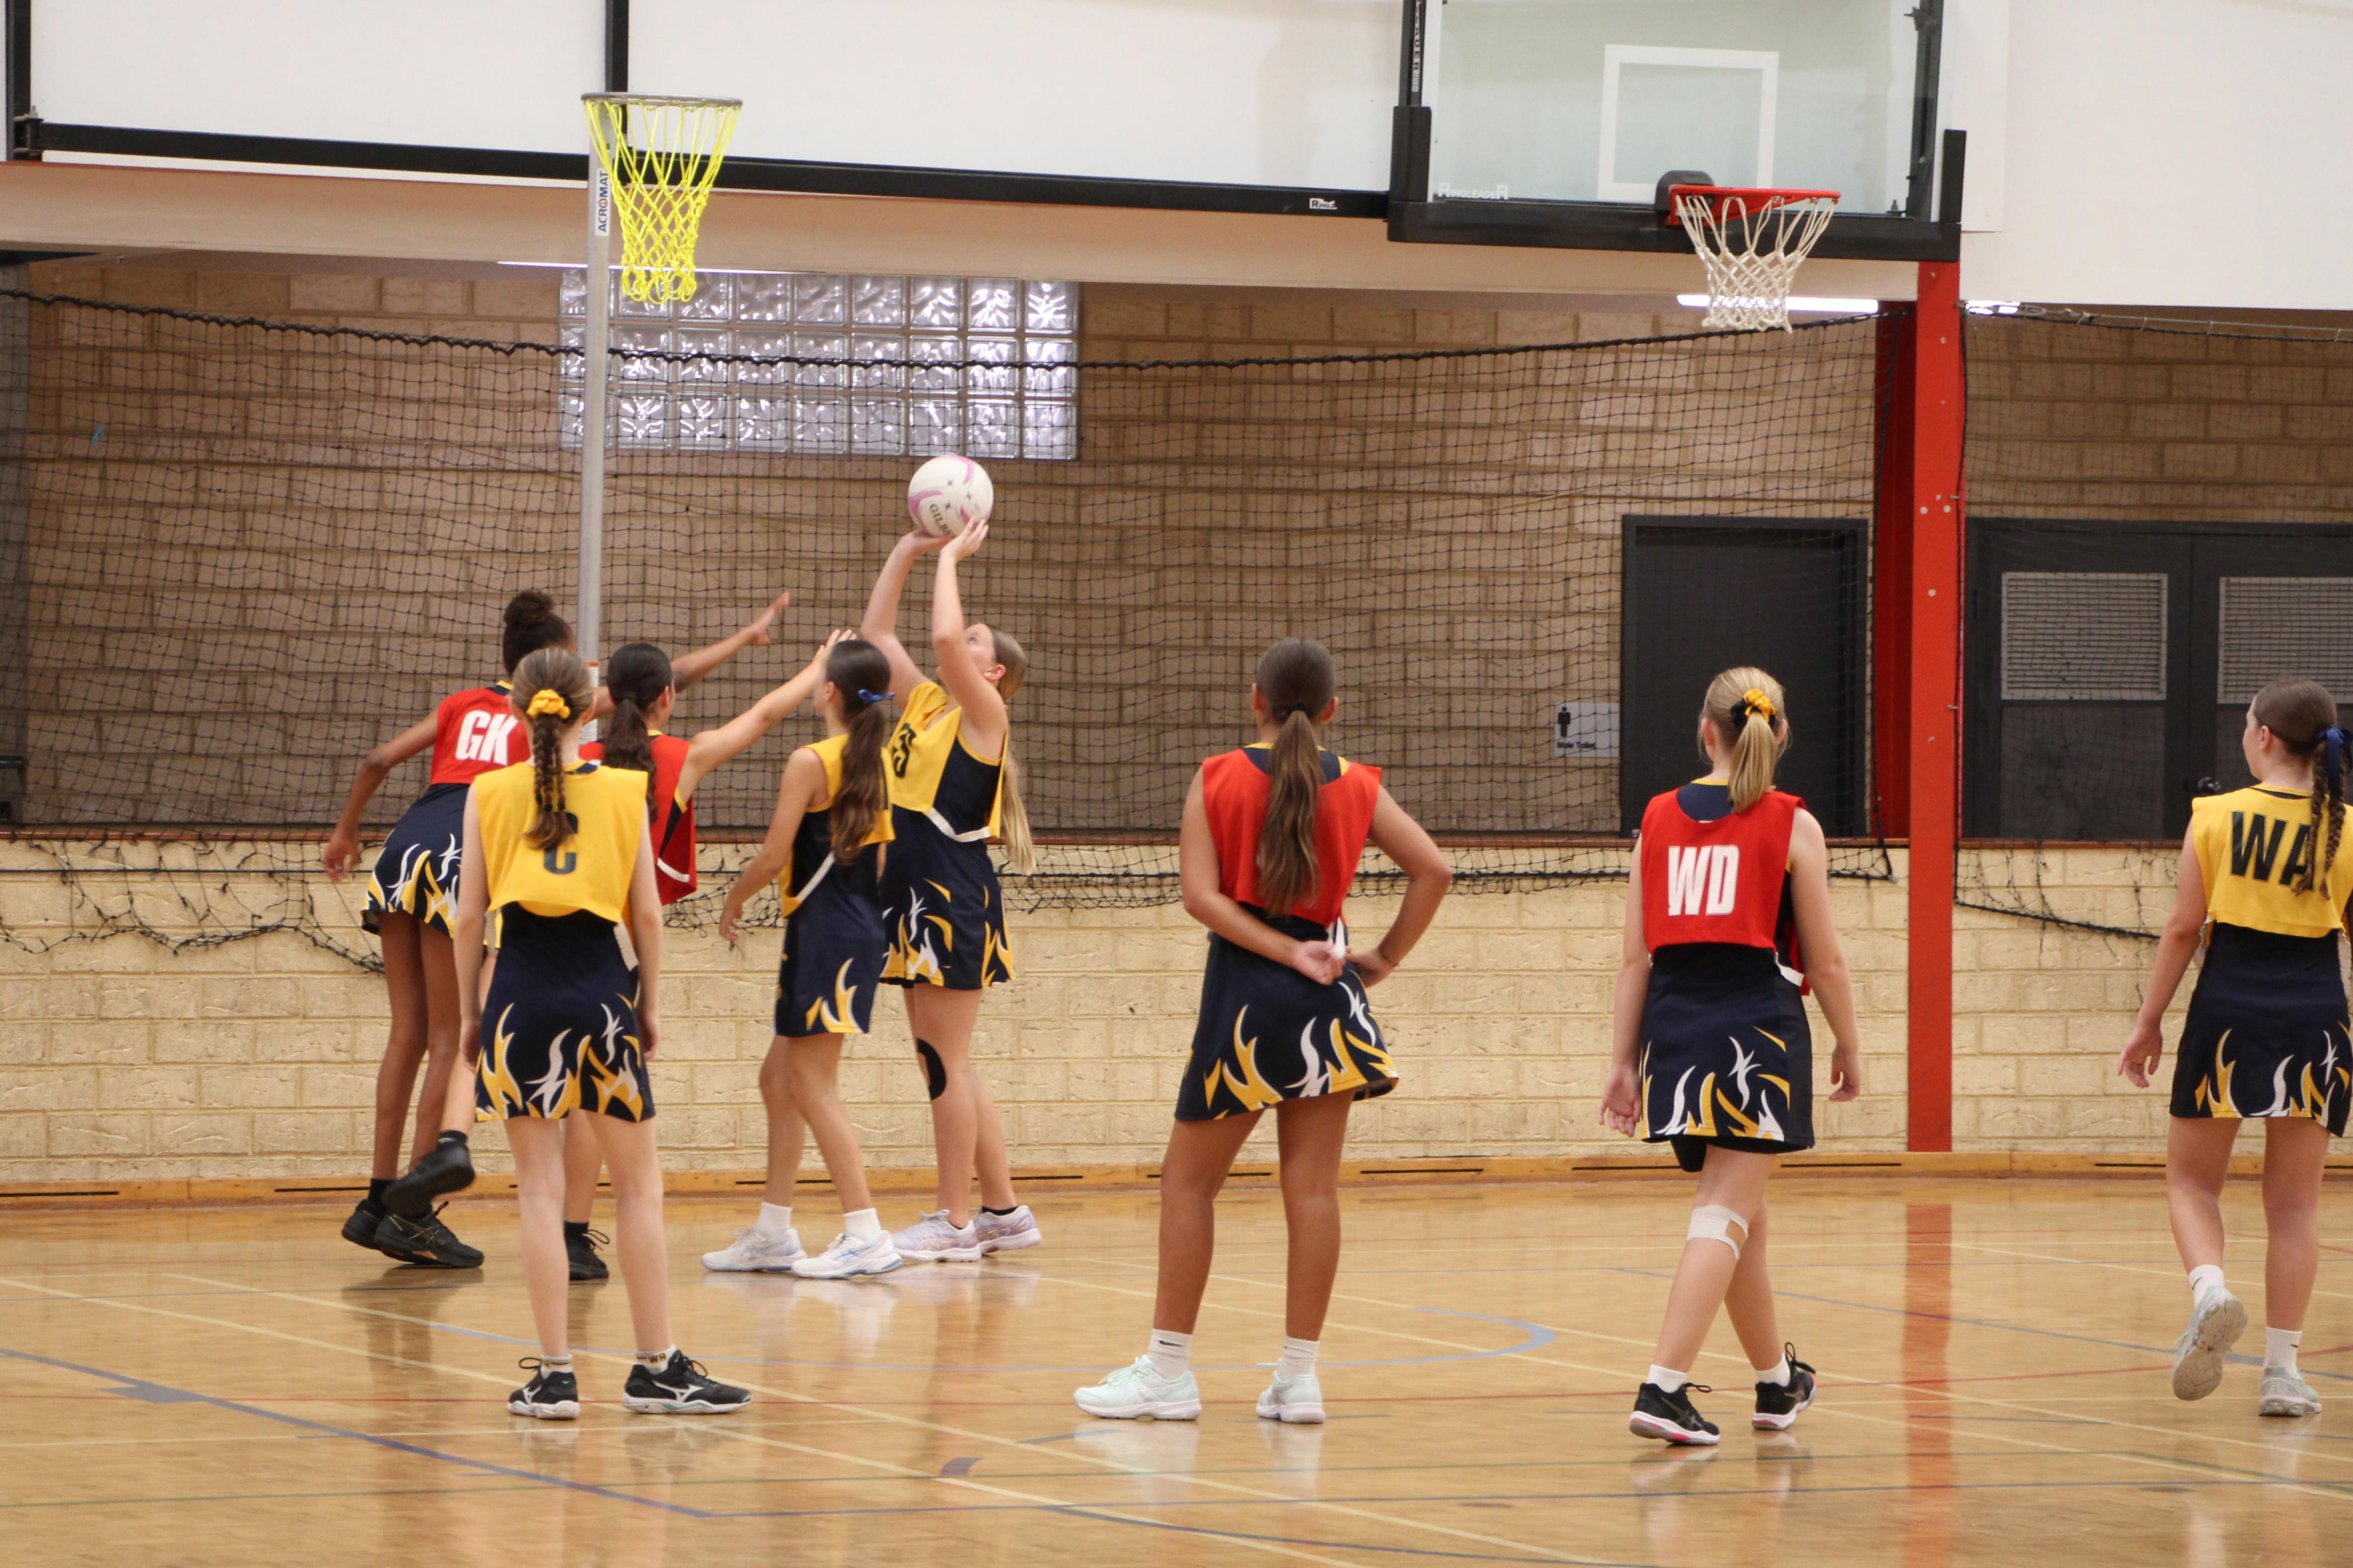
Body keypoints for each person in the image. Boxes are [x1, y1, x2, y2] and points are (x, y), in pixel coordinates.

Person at [324, 590, 790, 1270]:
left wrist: (345, 833)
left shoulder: (461, 703)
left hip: (406, 842)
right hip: (466, 854)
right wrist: (745, 638)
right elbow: (667, 678)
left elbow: (376, 760)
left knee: (408, 1033)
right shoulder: (553, 724)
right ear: (560, 674)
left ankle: (375, 1196)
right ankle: (411, 1209)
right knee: (454, 1038)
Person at [1072, 637, 1451, 1423]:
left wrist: (1283, 951)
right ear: (1332, 709)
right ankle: (1298, 1379)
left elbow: (1201, 898)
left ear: (1255, 700)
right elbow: (1435, 870)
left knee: (1187, 1185)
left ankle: (1167, 1373)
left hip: (1245, 1003)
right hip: (1329, 1006)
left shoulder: (1216, 776)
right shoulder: (1359, 784)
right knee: (1312, 1192)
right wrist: (1382, 957)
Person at [403, 646, 750, 1418]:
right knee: (638, 1189)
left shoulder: (487, 791)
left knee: (538, 1191)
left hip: (518, 995)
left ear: (516, 709)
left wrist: (470, 1016)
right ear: (590, 707)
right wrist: (648, 1002)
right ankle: (656, 1367)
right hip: (601, 995)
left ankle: (555, 1375)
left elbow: (468, 919)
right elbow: (647, 914)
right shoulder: (627, 788)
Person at [1599, 667, 1863, 1446]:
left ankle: (1776, 1382)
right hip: (1756, 1036)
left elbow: (1636, 960)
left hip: (1676, 1036)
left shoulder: (1655, 819)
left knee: (1743, 1215)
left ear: (1704, 732)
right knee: (1721, 1211)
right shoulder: (1792, 824)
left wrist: (1622, 1062)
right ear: (1778, 734)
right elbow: (1827, 962)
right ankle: (1663, 1388)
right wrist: (1848, 1042)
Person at [557, 630, 850, 1283]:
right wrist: (813, 669)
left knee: (573, 1094)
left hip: (554, 931)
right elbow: (764, 716)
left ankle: (566, 1230)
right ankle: (575, 1235)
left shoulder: (576, 756)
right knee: (601, 1095)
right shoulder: (682, 757)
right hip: (617, 940)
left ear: (607, 698)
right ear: (666, 698)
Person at [2118, 677, 2349, 1420]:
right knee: (2295, 1207)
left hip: (2228, 1011)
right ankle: (2282, 1372)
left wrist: (2148, 1020)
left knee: (2191, 1183)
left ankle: (2211, 1290)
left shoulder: (2214, 817)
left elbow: (2183, 929)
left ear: (2263, 737)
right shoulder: (2347, 828)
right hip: (2316, 1017)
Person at [859, 525, 1042, 1260]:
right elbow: (877, 636)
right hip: (911, 893)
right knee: (946, 1061)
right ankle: (1002, 1211)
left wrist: (950, 559)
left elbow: (938, 637)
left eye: (975, 641)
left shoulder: (983, 716)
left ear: (992, 672)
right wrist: (906, 550)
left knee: (943, 1063)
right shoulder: (928, 703)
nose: (958, 640)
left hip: (947, 894)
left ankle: (956, 1222)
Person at [703, 636, 904, 1279]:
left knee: (814, 1087)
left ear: (828, 692)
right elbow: (881, 861)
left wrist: (733, 899)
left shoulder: (810, 761)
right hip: (850, 927)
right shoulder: (875, 760)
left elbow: (772, 856)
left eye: (819, 676)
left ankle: (866, 1234)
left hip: (826, 934)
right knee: (778, 1079)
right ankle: (772, 1232)